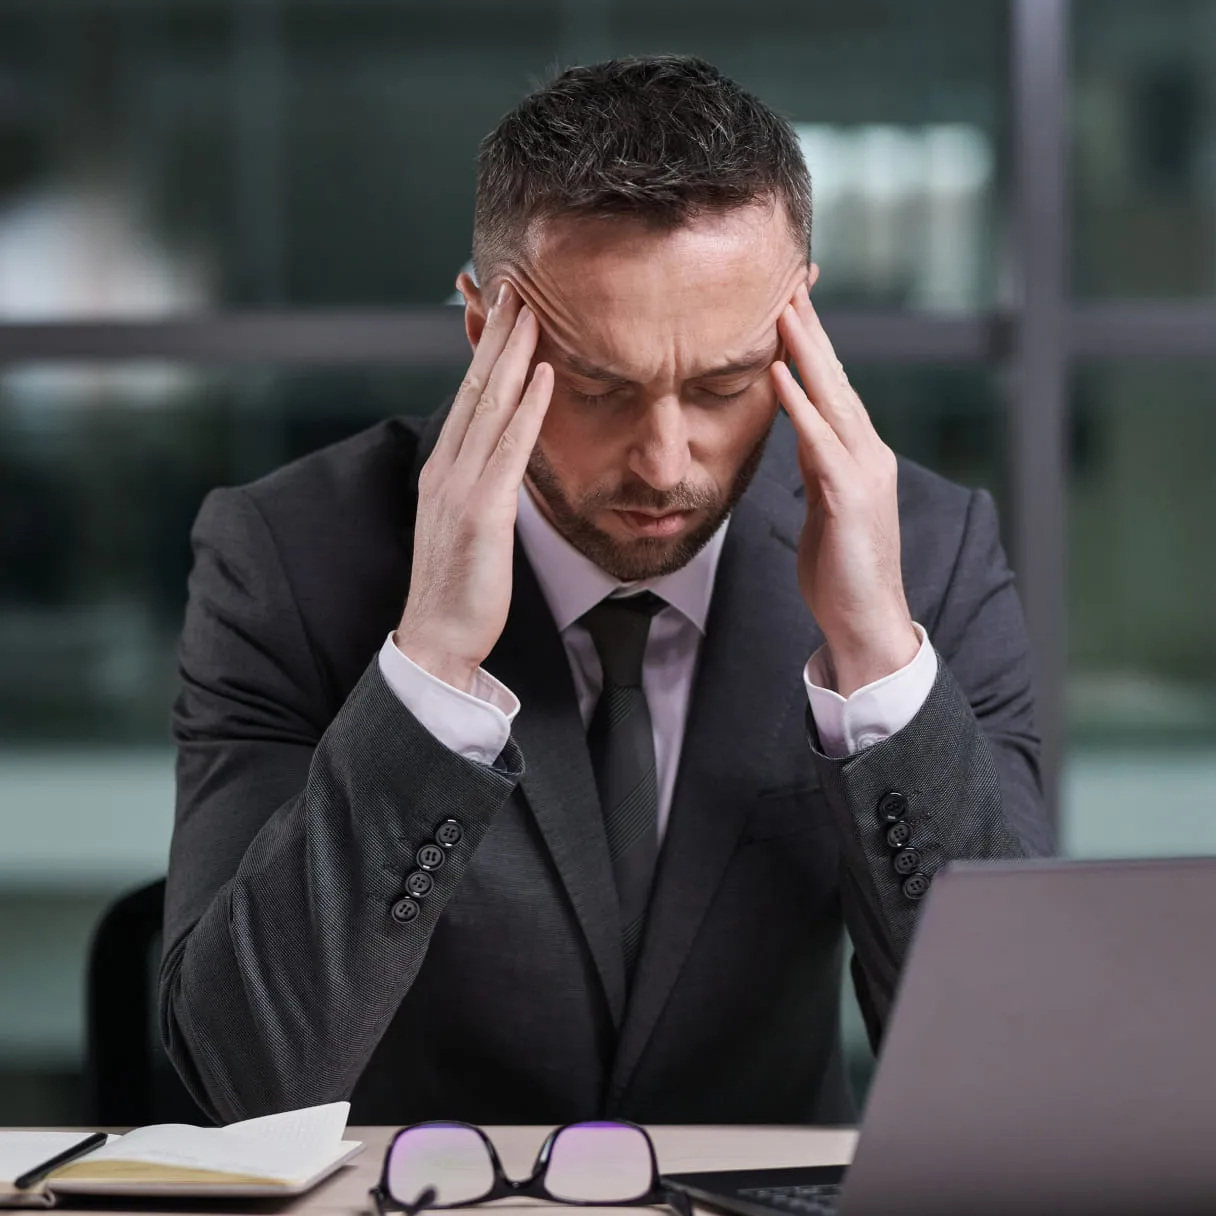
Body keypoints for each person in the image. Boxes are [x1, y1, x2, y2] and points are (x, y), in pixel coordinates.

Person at [161, 55, 1052, 1127]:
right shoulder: (286, 556)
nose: (664, 462)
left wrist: (874, 664)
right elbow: (240, 1081)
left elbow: (1019, 1066)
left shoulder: (932, 553)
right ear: (485, 332)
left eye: (724, 384)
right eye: (597, 388)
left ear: (798, 327)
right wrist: (431, 662)